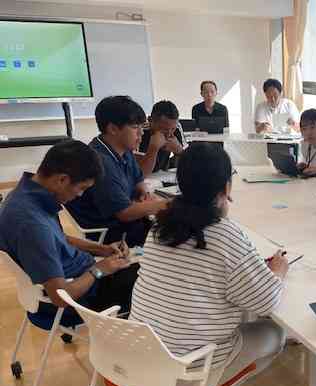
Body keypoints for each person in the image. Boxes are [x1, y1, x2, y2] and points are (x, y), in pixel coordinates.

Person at [128, 142, 288, 386]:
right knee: (274, 332)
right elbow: (267, 301)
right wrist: (278, 270)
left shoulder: (159, 227)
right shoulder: (226, 234)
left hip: (142, 355)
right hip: (187, 370)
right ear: (226, 187)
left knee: (225, 302)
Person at [0, 140, 138, 329]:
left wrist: (103, 249)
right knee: (149, 283)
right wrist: (99, 270)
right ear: (62, 180)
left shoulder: (25, 195)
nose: (80, 195)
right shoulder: (33, 225)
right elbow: (60, 298)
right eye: (82, 188)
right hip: (77, 300)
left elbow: (58, 238)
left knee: (138, 269)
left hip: (76, 278)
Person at [66, 96, 168, 247]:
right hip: (107, 235)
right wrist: (168, 204)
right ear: (113, 129)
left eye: (142, 127)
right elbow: (124, 213)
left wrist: (144, 194)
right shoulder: (100, 161)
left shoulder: (124, 149)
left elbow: (139, 182)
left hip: (126, 224)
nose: (141, 133)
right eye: (135, 127)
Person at [138, 100, 185, 176]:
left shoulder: (176, 128)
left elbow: (188, 163)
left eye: (172, 129)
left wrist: (180, 151)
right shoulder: (139, 132)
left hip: (162, 175)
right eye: (164, 129)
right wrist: (154, 148)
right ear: (150, 121)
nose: (169, 134)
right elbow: (139, 171)